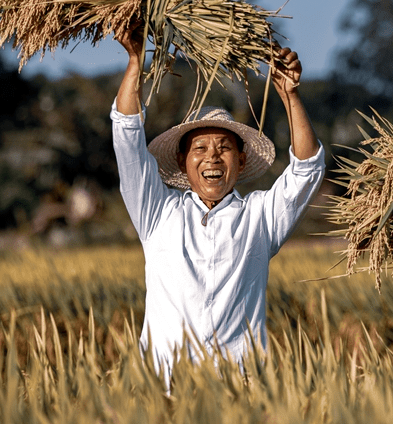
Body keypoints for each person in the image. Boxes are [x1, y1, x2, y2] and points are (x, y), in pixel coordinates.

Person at [111, 26, 325, 379]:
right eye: (200, 148)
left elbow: (307, 169)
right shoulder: (156, 213)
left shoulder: (260, 218)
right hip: (165, 391)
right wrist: (135, 62)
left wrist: (290, 96)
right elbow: (127, 139)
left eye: (224, 148)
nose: (212, 157)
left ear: (241, 162)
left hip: (240, 390)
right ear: (182, 162)